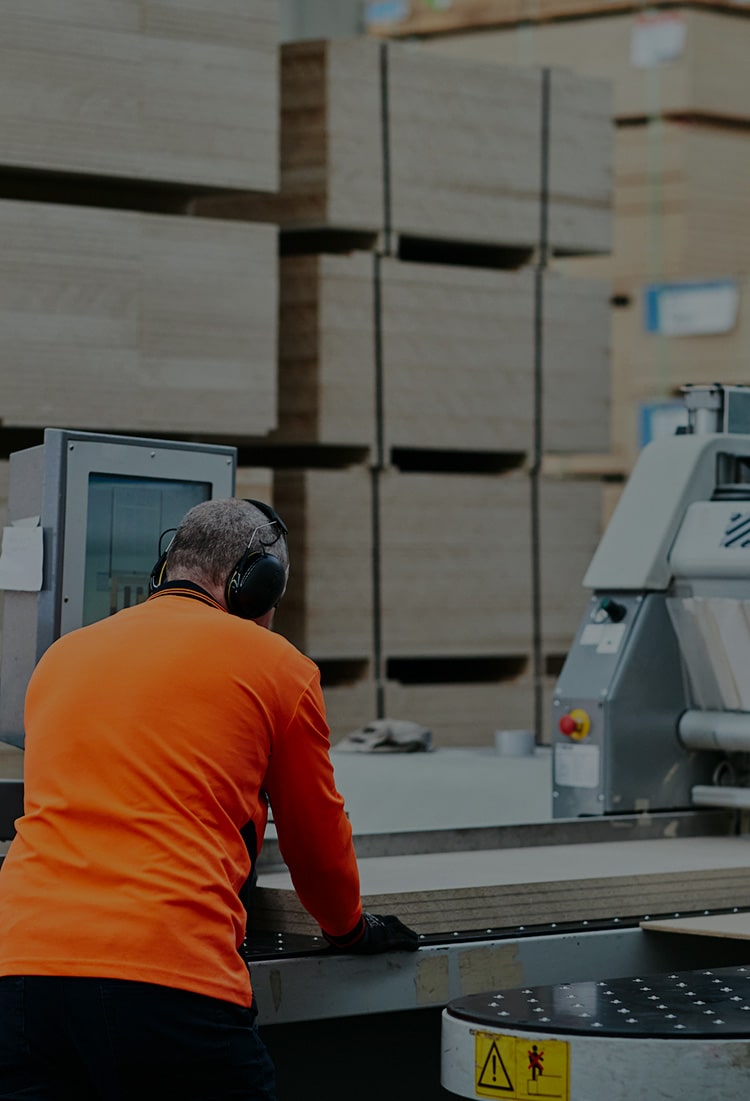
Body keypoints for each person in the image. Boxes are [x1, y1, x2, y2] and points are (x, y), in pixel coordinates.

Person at [0, 497, 418, 1101]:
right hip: (168, 980)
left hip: (21, 981)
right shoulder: (279, 667)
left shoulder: (61, 658)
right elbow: (317, 851)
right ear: (257, 585)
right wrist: (352, 931)